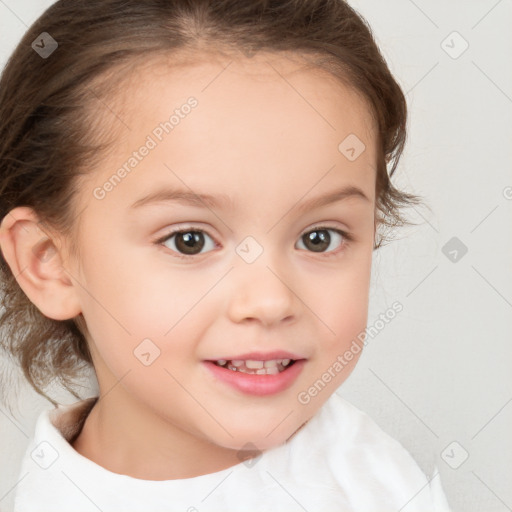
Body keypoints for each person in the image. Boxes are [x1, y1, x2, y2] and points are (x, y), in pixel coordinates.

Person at [0, 0, 451, 510]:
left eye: (319, 237)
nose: (269, 300)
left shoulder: (379, 477)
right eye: (189, 240)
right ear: (49, 262)